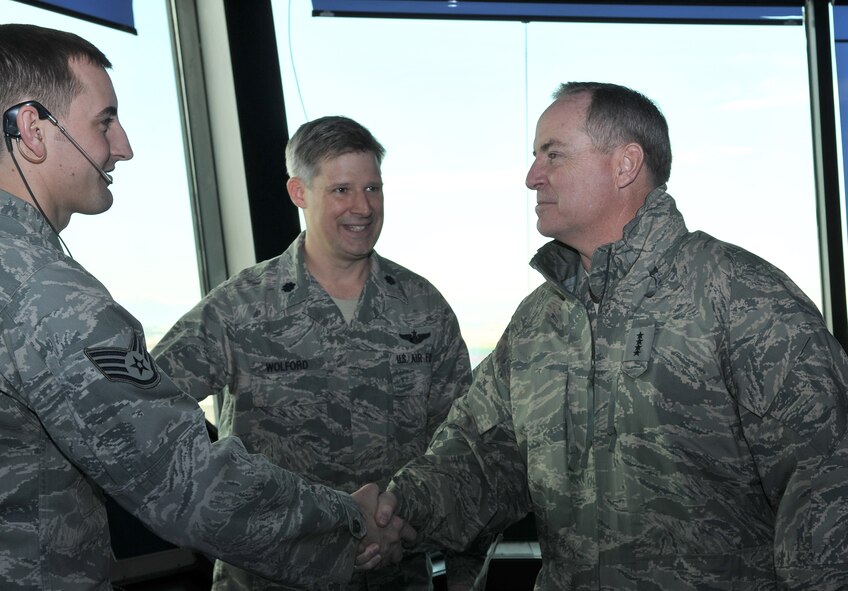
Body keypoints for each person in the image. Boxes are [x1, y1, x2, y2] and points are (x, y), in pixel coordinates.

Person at [370, 81, 848, 590]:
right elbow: (481, 455)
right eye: (535, 157)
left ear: (625, 165)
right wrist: (399, 507)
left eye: (553, 155)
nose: (533, 177)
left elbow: (827, 486)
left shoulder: (740, 297)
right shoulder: (538, 321)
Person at [0, 23, 411, 591]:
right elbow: (183, 477)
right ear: (30, 129)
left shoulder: (423, 307)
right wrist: (350, 518)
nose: (123, 145)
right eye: (104, 121)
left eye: (372, 189)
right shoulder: (46, 298)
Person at [153, 115, 477, 591]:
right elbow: (147, 409)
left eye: (373, 188)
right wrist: (226, 506)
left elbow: (461, 441)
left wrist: (405, 521)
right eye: (342, 190)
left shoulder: (422, 309)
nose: (363, 208)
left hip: (395, 572)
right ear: (299, 193)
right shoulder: (241, 307)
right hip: (270, 578)